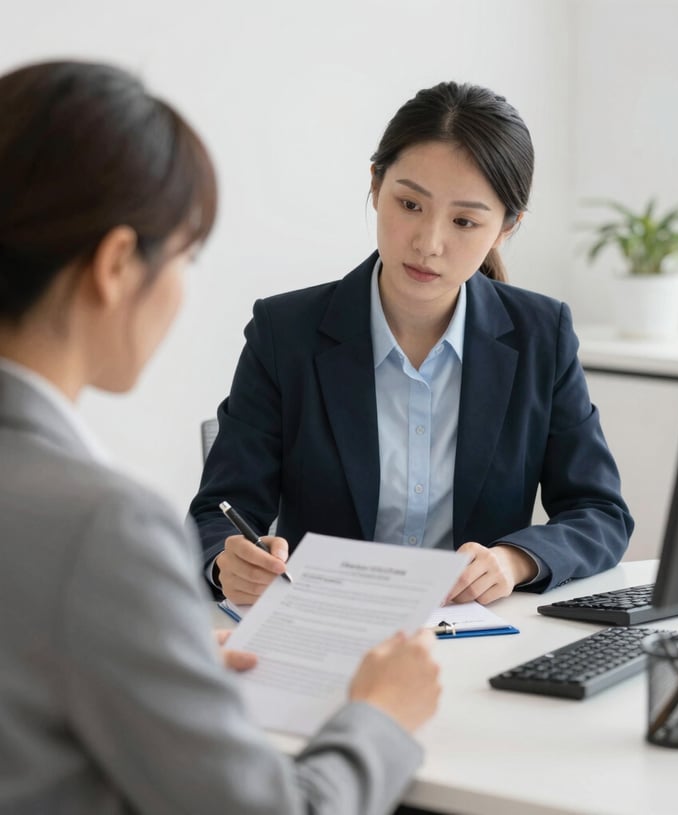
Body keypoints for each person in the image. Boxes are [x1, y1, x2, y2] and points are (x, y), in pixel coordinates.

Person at [0, 60, 442, 815]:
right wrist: (380, 714)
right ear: (115, 265)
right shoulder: (103, 526)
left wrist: (148, 649)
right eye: (185, 257)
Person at [190, 81, 634, 608]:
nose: (429, 243)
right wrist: (228, 563)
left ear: (506, 227)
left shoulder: (543, 335)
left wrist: (514, 561)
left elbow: (600, 513)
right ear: (375, 185)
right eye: (409, 204)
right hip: (327, 630)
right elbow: (219, 510)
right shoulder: (284, 332)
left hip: (476, 633)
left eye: (464, 221)